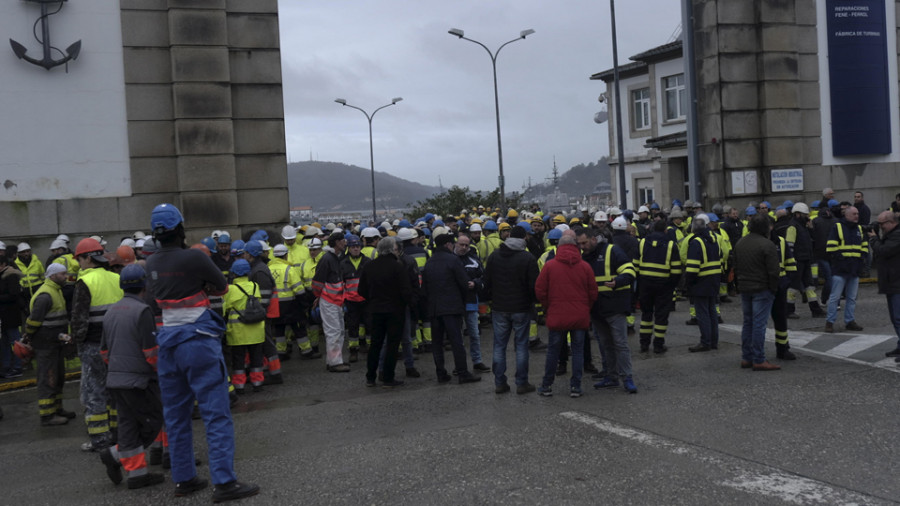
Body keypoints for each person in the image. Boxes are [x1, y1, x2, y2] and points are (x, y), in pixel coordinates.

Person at [145, 203, 259, 502]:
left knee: (176, 415)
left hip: (168, 343)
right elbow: (222, 288)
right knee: (215, 413)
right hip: (198, 340)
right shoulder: (194, 256)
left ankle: (184, 479)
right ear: (180, 228)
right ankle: (224, 483)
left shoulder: (151, 263)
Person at [97, 264, 165, 490]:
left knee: (128, 425)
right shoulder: (143, 311)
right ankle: (115, 454)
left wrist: (118, 369)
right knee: (153, 419)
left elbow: (104, 351)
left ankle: (137, 475)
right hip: (139, 381)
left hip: (116, 380)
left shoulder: (111, 311)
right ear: (144, 285)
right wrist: (161, 372)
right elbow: (151, 353)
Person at [72, 237, 123, 452]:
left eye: (80, 259)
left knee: (93, 393)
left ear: (87, 258)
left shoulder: (85, 282)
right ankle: (117, 434)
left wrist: (77, 343)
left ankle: (99, 440)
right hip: (117, 343)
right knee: (114, 391)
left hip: (93, 344)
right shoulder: (116, 278)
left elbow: (79, 319)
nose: (78, 264)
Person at [535, 233, 597, 398]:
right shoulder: (585, 267)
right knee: (577, 352)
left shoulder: (550, 266)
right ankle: (576, 387)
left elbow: (540, 290)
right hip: (579, 316)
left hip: (557, 316)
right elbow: (593, 292)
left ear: (559, 247)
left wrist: (549, 306)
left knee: (553, 352)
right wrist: (585, 308)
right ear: (576, 247)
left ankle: (547, 385)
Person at [577, 227, 638, 394]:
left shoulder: (612, 251)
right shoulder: (583, 257)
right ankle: (611, 376)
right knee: (606, 345)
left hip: (614, 307)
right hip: (596, 310)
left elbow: (630, 270)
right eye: (580, 243)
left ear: (593, 239)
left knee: (620, 344)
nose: (582, 246)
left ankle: (627, 378)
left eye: (585, 242)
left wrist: (618, 281)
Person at [484, 226, 539, 394]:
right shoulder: (527, 258)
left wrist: (491, 300)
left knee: (499, 345)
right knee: (521, 345)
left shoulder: (494, 256)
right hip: (521, 308)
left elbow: (487, 282)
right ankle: (522, 383)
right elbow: (534, 286)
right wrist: (532, 302)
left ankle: (500, 382)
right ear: (524, 238)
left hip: (500, 308)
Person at [422, 233, 481, 384]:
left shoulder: (430, 262)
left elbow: (425, 288)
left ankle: (441, 373)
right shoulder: (453, 260)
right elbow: (463, 283)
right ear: (448, 245)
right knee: (456, 342)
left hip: (435, 309)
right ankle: (463, 373)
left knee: (437, 343)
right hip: (452, 307)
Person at [23, 263, 74, 425]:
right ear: (52, 276)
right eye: (62, 274)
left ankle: (57, 409)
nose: (65, 277)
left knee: (58, 377)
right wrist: (28, 336)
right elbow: (33, 321)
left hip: (54, 343)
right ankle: (47, 415)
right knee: (48, 378)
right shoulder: (45, 295)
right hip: (45, 344)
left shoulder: (55, 291)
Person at [358, 237, 412, 388]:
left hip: (375, 310)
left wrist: (372, 300)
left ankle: (370, 377)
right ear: (391, 249)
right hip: (395, 311)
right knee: (392, 345)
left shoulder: (369, 266)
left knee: (375, 344)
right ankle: (388, 377)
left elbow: (361, 290)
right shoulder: (397, 266)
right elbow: (406, 291)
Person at [733, 214, 781, 371]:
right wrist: (773, 289)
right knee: (759, 325)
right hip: (762, 288)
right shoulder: (767, 245)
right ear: (765, 228)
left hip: (745, 287)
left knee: (748, 323)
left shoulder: (740, 243)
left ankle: (746, 357)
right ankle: (759, 359)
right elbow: (774, 271)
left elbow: (736, 265)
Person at [635, 220, 682, 353]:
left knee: (646, 315)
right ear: (665, 230)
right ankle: (658, 345)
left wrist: (640, 282)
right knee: (661, 316)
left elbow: (635, 265)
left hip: (645, 284)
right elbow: (676, 270)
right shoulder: (671, 245)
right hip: (664, 285)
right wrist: (671, 286)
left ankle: (644, 344)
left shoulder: (642, 242)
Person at [223, 259, 266, 394]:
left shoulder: (230, 289)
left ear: (234, 273)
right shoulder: (255, 286)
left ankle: (239, 385)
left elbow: (225, 309)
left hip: (238, 332)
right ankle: (257, 383)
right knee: (256, 358)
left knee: (238, 360)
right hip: (256, 331)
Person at [825, 206, 867, 333]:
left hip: (854, 269)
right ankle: (830, 322)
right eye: (854, 214)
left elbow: (864, 247)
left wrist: (861, 261)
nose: (857, 216)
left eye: (857, 213)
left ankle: (850, 321)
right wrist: (842, 261)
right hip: (841, 269)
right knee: (835, 297)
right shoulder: (837, 227)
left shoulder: (859, 228)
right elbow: (831, 247)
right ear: (847, 215)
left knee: (852, 298)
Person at [312, 232, 349, 372]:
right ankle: (335, 363)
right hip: (330, 301)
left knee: (338, 331)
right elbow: (317, 283)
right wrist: (319, 297)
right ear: (337, 243)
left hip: (334, 301)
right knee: (333, 331)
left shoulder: (332, 258)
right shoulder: (328, 259)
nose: (345, 243)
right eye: (342, 241)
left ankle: (334, 360)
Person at [685, 215, 722, 352]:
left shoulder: (696, 242)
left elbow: (692, 268)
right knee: (712, 311)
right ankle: (713, 341)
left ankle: (705, 342)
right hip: (713, 280)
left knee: (702, 313)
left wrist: (688, 284)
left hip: (701, 282)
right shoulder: (714, 239)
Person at [454, 233, 490, 373]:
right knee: (458, 337)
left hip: (470, 301)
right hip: (455, 302)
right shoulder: (450, 259)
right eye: (461, 244)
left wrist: (475, 283)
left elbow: (483, 277)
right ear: (455, 244)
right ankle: (460, 365)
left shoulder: (473, 260)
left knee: (474, 334)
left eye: (466, 245)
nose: (463, 247)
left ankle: (477, 361)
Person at [868, 211, 900, 357]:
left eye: (882, 224)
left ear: (891, 222)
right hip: (891, 283)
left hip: (897, 283)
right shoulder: (890, 235)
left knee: (899, 318)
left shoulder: (897, 235)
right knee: (895, 318)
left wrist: (874, 239)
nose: (880, 227)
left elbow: (884, 250)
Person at [339, 235, 370, 363]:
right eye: (353, 247)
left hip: (366, 300)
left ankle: (370, 348)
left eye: (357, 246)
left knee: (370, 325)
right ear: (348, 249)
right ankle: (353, 351)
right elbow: (341, 284)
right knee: (352, 326)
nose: (356, 249)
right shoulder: (343, 264)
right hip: (351, 301)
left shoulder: (367, 262)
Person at [0, 255, 25, 379]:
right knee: (4, 342)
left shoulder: (10, 275)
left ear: (3, 264)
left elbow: (13, 294)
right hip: (4, 316)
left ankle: (17, 366)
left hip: (10, 315)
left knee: (14, 341)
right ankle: (6, 367)